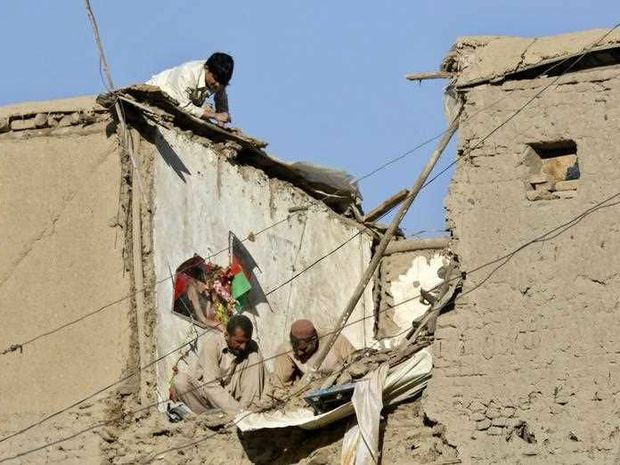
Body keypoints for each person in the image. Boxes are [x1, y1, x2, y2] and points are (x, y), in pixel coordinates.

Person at [172, 314, 265, 416]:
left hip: (238, 402)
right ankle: (209, 418)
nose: (243, 346)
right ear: (226, 335)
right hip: (210, 400)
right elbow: (211, 386)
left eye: (246, 342)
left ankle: (248, 415)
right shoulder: (212, 345)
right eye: (239, 342)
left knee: (254, 357)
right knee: (180, 381)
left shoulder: (251, 347)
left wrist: (246, 412)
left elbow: (258, 382)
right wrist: (237, 412)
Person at [147, 52, 234, 126]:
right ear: (206, 68)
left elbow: (221, 98)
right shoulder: (187, 75)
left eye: (222, 83)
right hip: (155, 97)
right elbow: (183, 106)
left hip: (184, 103)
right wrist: (214, 115)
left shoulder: (219, 81)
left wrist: (222, 118)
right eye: (215, 79)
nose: (217, 85)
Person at [273, 319, 355, 387]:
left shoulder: (334, 339)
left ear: (313, 340)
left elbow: (356, 363)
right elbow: (280, 384)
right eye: (295, 348)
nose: (299, 353)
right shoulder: (286, 350)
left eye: (303, 349)